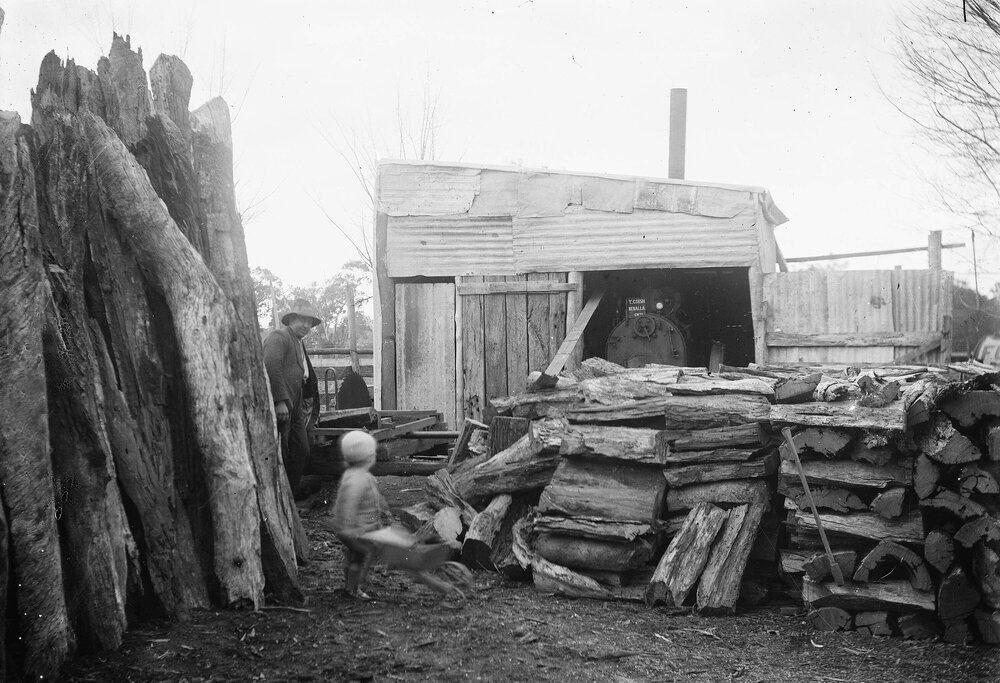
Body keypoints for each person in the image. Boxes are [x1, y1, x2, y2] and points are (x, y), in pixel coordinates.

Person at [263, 299, 321, 497]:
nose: (306, 325)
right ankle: (278, 497)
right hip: (281, 404)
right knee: (281, 450)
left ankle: (291, 495)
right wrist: (279, 401)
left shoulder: (298, 342)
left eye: (309, 322)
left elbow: (303, 374)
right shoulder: (278, 337)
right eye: (301, 320)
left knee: (301, 450)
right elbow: (272, 367)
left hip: (296, 404)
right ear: (290, 320)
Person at [331, 430, 393, 599]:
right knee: (360, 558)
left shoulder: (354, 476)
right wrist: (349, 528)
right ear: (367, 457)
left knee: (352, 557)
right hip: (357, 530)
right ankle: (353, 589)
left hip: (354, 529)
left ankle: (349, 586)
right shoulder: (358, 479)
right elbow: (349, 503)